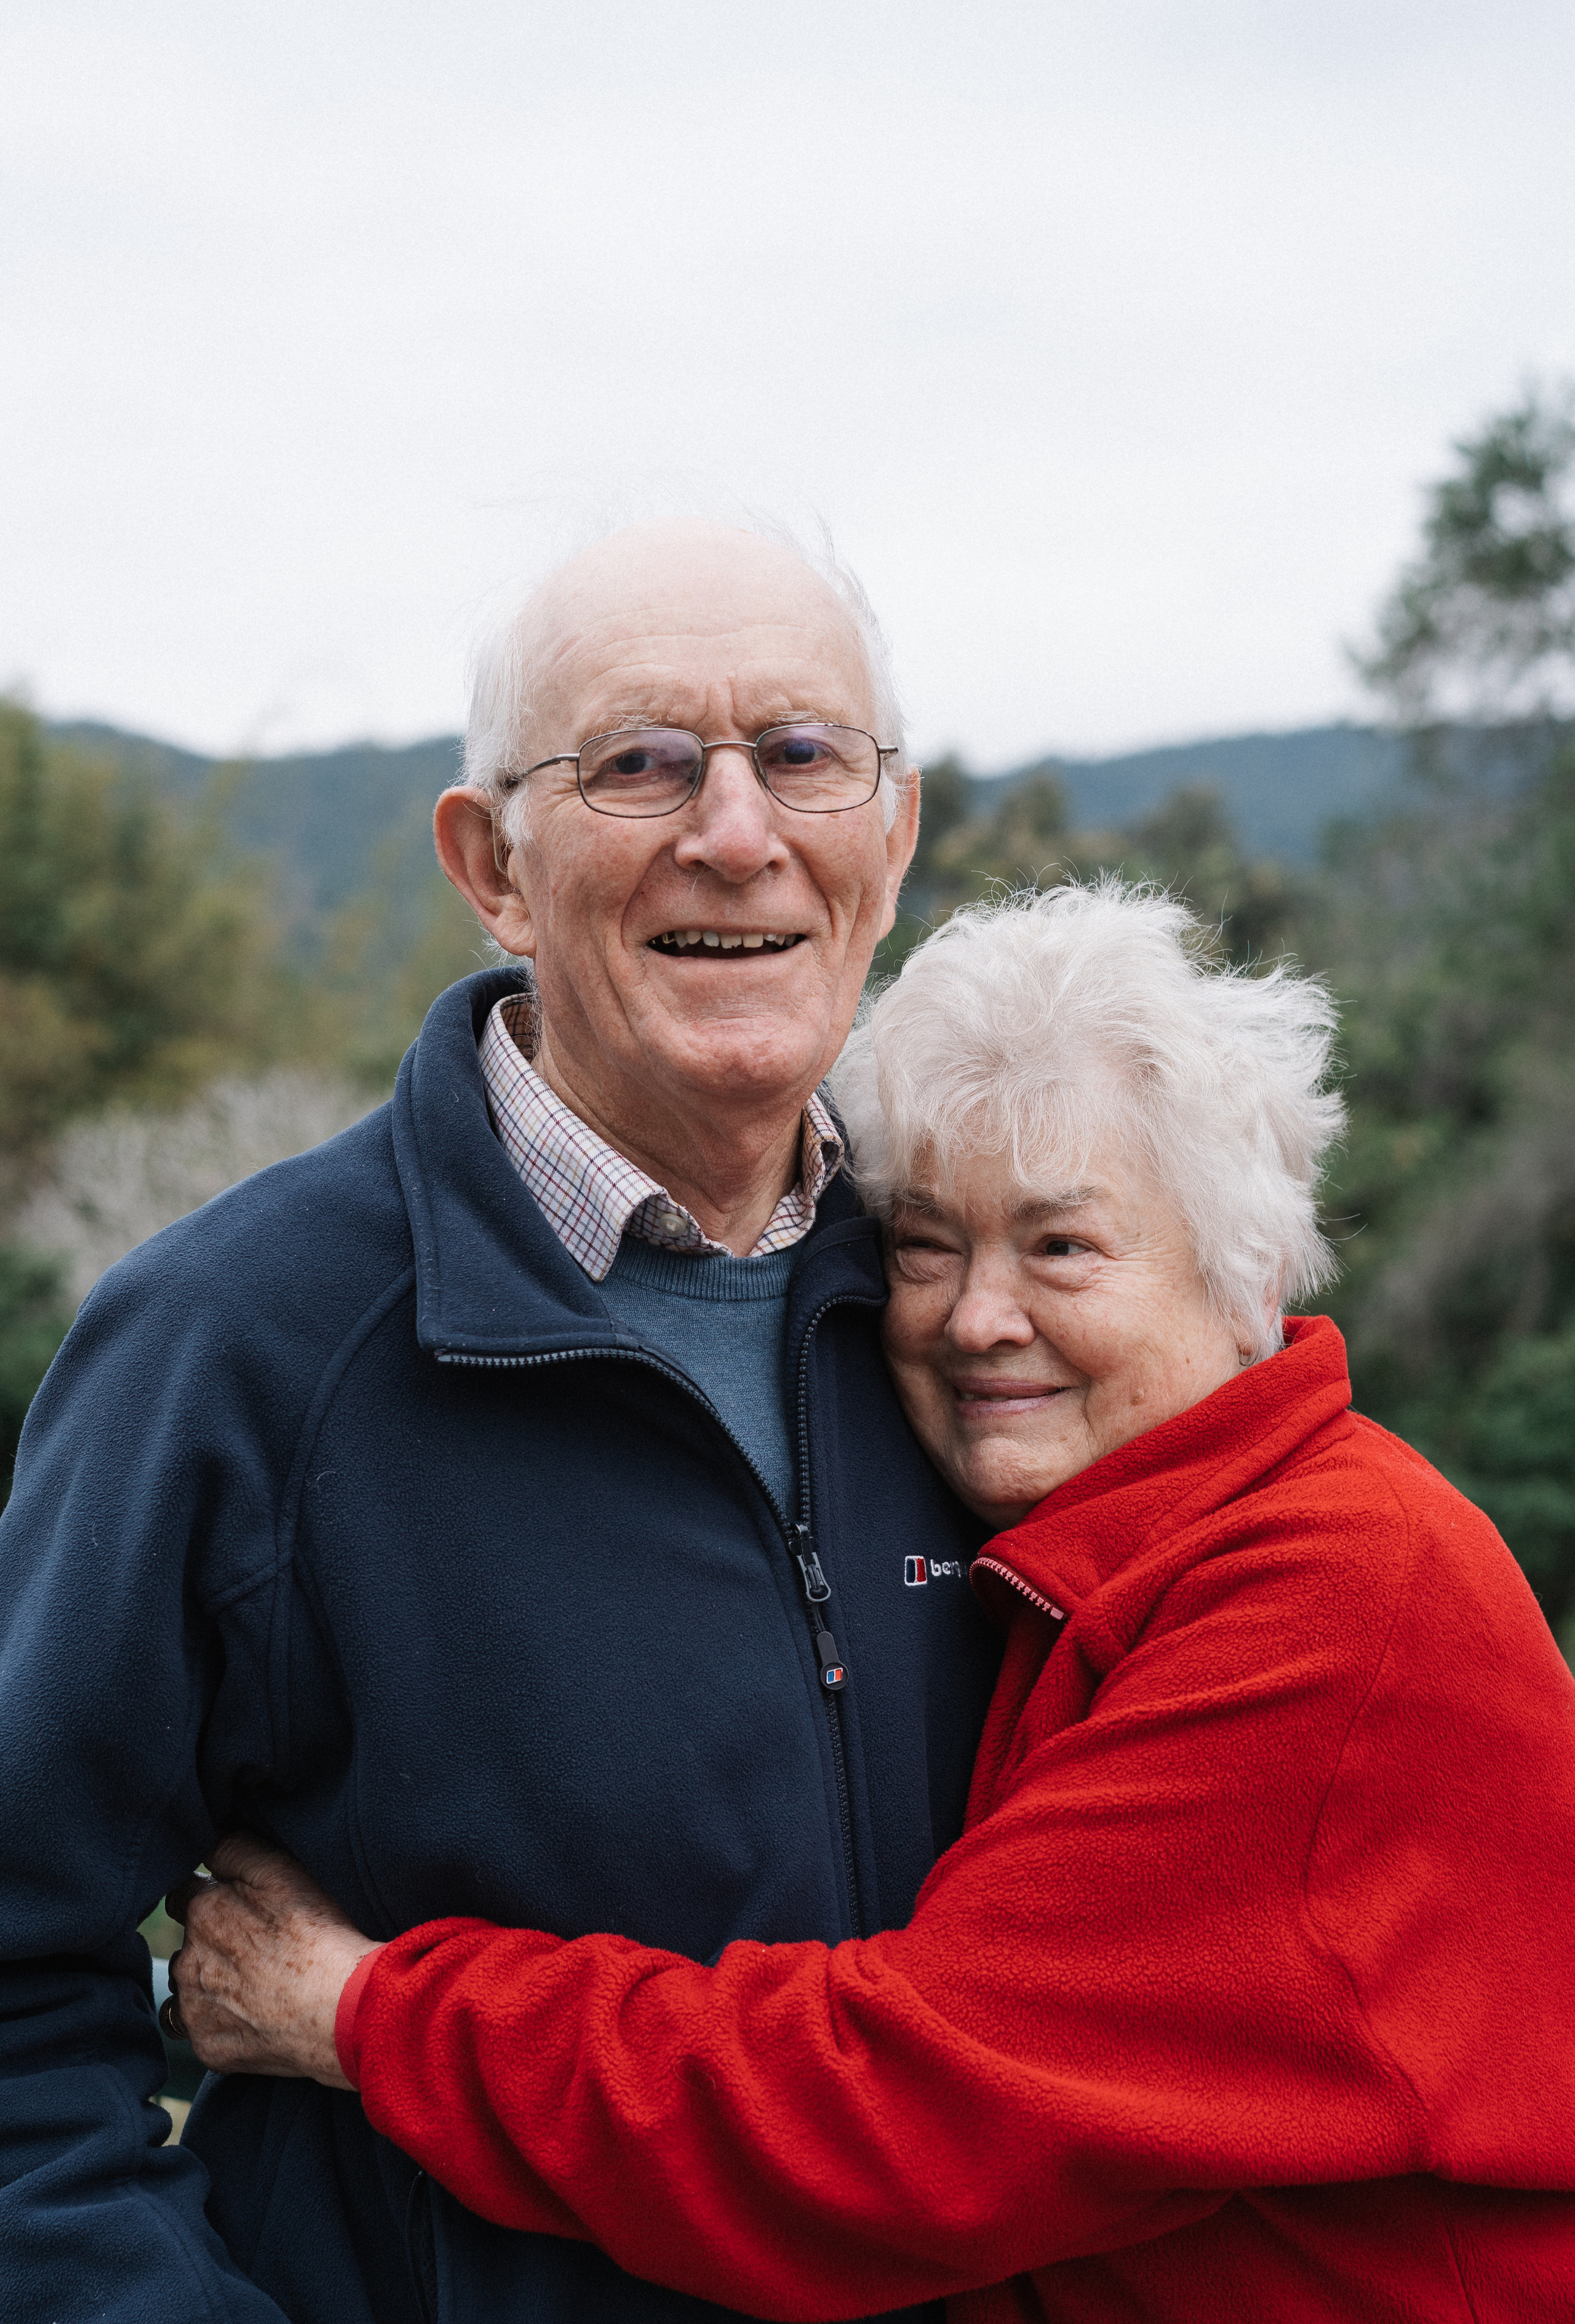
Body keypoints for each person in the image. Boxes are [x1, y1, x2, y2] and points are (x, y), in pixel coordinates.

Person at [172, 883, 1575, 2322]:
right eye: (922, 1245)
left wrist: (363, 2012)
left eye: (1061, 1247)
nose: (974, 1316)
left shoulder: (1336, 1596)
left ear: (1246, 1277)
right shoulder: (1104, 1553)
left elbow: (898, 2123)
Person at [0, 520, 1002, 2324]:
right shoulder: (239, 1348)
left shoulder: (991, 1322)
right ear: (493, 866)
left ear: (894, 831)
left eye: (801, 754)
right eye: (638, 762)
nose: (737, 830)